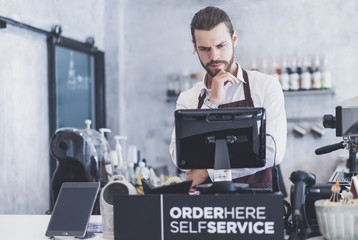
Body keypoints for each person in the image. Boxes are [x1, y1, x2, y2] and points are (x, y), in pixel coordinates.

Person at [169, 6, 287, 188]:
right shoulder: (188, 98)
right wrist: (212, 102)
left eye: (220, 46)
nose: (214, 56)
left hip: (258, 206)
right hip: (207, 209)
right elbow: (180, 158)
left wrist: (209, 171)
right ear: (195, 47)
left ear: (234, 39)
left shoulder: (265, 86)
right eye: (204, 48)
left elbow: (273, 152)